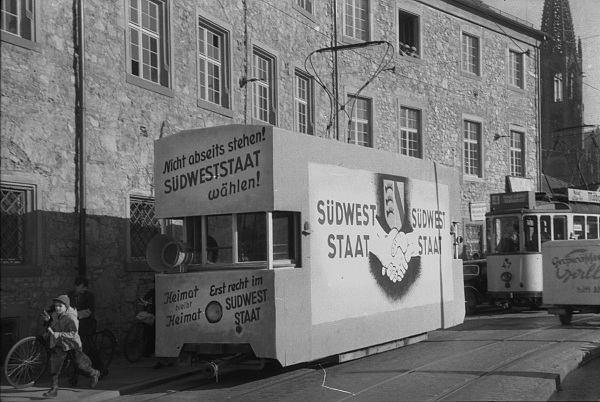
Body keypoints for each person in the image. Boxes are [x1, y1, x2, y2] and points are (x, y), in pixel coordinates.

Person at [41, 295, 100, 398]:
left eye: (60, 306)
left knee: (80, 365)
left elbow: (73, 333)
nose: (57, 308)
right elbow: (54, 326)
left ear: (66, 306)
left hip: (72, 344)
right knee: (55, 363)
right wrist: (48, 322)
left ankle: (94, 373)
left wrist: (59, 334)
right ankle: (54, 389)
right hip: (59, 343)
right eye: (56, 306)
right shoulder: (55, 315)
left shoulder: (71, 317)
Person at [67, 276, 107, 385]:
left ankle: (75, 376)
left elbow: (90, 310)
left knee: (80, 351)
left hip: (86, 327)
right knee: (89, 350)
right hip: (75, 327)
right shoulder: (69, 295)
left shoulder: (89, 296)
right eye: (82, 287)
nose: (84, 289)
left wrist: (75, 315)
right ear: (76, 286)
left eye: (85, 287)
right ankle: (101, 368)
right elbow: (61, 304)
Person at [140, 287, 174, 369]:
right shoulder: (160, 288)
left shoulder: (157, 288)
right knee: (159, 337)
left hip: (160, 314)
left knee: (157, 336)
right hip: (161, 314)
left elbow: (145, 297)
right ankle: (166, 360)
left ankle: (164, 359)